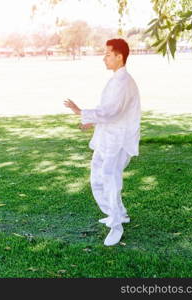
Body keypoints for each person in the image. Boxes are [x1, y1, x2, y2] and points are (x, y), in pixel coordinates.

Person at [63, 38, 141, 246]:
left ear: (119, 56)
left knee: (109, 179)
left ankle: (116, 225)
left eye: (107, 54)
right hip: (108, 137)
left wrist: (81, 112)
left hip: (118, 140)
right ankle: (119, 214)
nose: (103, 58)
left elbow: (112, 110)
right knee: (99, 176)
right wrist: (90, 121)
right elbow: (108, 110)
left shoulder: (123, 82)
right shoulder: (117, 79)